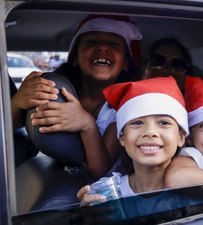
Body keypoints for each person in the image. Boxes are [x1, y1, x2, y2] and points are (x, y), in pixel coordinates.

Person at [12, 15, 142, 178]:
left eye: (113, 44)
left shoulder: (124, 107)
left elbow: (100, 170)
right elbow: (15, 129)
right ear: (75, 58)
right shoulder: (56, 93)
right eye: (92, 42)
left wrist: (87, 124)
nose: (102, 48)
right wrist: (17, 103)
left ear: (125, 63)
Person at [77, 76, 188, 205]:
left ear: (180, 137)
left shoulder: (195, 188)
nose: (150, 132)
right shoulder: (107, 193)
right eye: (137, 122)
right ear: (122, 137)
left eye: (164, 123)